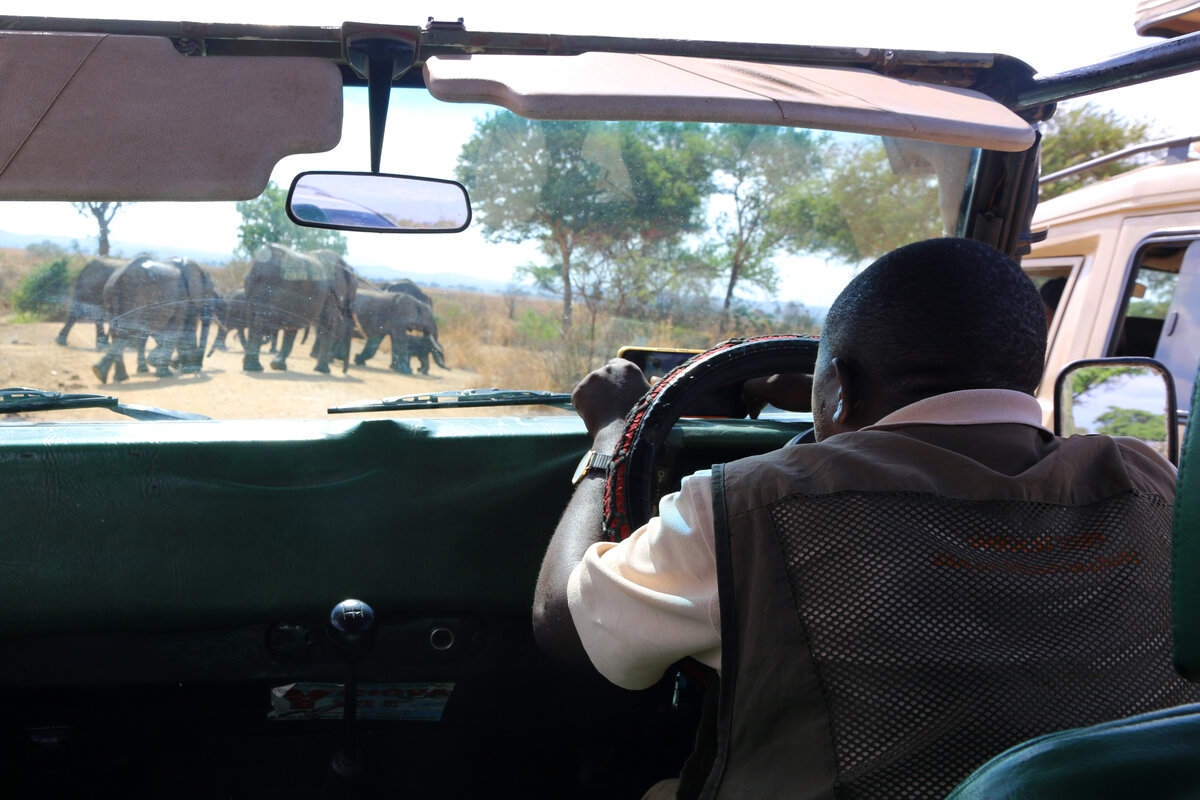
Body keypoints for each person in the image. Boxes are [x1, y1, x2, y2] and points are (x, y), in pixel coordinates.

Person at [532, 237, 1200, 800]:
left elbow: (566, 627)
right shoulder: (1155, 483)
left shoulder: (747, 505)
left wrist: (609, 440)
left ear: (840, 388)